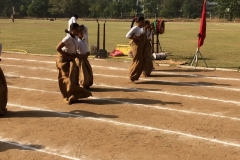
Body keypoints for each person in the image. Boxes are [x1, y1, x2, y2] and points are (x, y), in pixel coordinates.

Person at [56, 23, 92, 105]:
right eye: (76, 30)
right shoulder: (67, 38)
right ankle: (67, 96)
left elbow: (74, 49)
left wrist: (77, 55)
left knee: (73, 76)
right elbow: (58, 48)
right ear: (71, 30)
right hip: (63, 59)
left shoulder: (75, 38)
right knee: (66, 77)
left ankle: (74, 94)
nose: (78, 32)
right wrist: (67, 56)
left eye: (79, 30)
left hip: (70, 58)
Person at [126, 16, 147, 82]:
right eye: (143, 22)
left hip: (141, 45)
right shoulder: (135, 28)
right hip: (136, 45)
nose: (144, 23)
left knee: (142, 60)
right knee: (138, 60)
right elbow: (127, 35)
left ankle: (135, 75)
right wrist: (136, 38)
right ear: (139, 22)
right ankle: (132, 75)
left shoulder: (142, 28)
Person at [76, 25, 93, 89]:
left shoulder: (82, 41)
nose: (82, 34)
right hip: (81, 59)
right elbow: (75, 51)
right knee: (83, 72)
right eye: (81, 33)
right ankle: (82, 85)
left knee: (89, 71)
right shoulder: (77, 41)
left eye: (82, 33)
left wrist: (87, 53)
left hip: (85, 58)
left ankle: (87, 84)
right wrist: (82, 55)